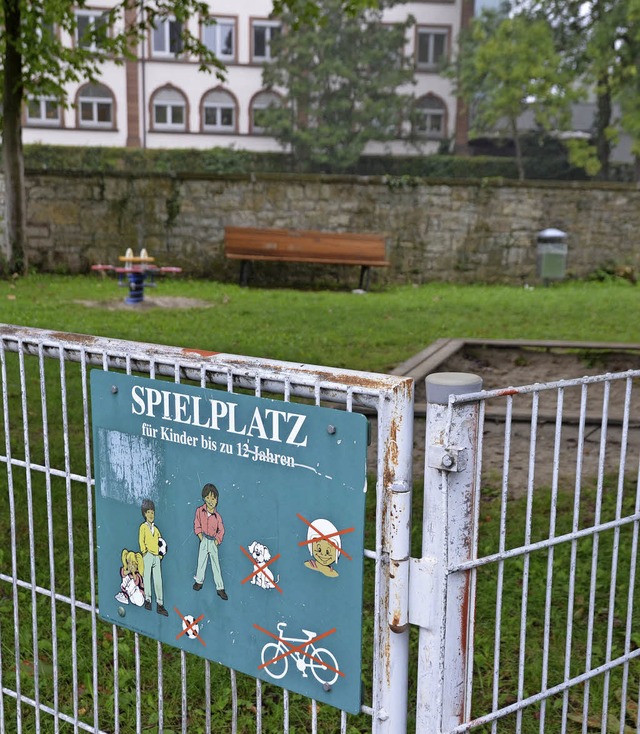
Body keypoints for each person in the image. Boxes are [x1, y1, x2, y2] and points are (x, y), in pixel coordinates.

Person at [193, 483, 228, 600]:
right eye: (208, 497)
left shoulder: (217, 517)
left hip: (213, 541)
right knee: (201, 561)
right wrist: (200, 537)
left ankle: (220, 588)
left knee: (215, 564)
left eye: (213, 498)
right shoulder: (199, 511)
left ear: (217, 500)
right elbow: (197, 524)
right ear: (204, 498)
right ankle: (199, 582)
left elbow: (221, 530)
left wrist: (216, 541)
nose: (210, 501)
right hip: (204, 539)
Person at [138, 499, 168, 616]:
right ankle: (148, 600)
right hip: (148, 555)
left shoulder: (156, 530)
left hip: (156, 556)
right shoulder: (143, 527)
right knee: (147, 578)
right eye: (148, 512)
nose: (151, 515)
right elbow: (141, 540)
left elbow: (161, 542)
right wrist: (144, 552)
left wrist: (160, 556)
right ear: (144, 514)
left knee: (158, 580)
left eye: (152, 513)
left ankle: (160, 604)